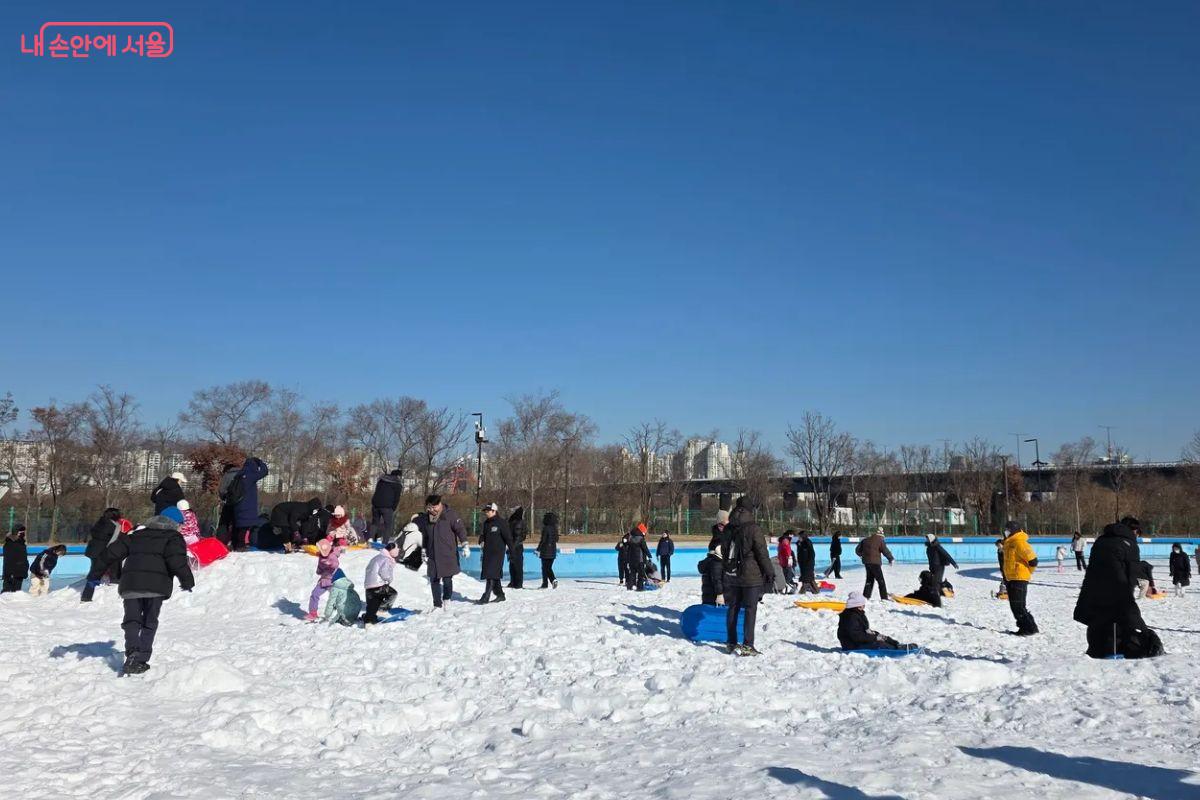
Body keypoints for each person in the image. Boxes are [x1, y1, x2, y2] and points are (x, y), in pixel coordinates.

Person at [94, 513, 195, 674]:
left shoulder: (135, 535)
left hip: (131, 584)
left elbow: (112, 552)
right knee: (149, 621)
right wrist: (187, 580)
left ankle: (132, 653)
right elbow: (177, 561)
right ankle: (141, 658)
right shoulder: (172, 537)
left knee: (132, 620)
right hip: (156, 586)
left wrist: (96, 570)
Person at [1074, 519, 1163, 659]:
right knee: (1120, 620)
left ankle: (1097, 651)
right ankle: (1116, 651)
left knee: (1099, 621)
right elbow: (1131, 571)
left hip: (1093, 589)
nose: (1137, 536)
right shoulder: (1129, 544)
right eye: (1138, 533)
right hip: (1118, 589)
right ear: (1134, 531)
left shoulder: (1101, 540)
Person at [722, 499, 774, 656]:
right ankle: (747, 644)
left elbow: (724, 551)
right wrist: (770, 572)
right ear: (750, 511)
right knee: (750, 610)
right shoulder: (754, 528)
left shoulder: (729, 527)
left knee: (733, 608)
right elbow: (762, 554)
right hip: (750, 576)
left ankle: (731, 642)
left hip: (732, 574)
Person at [415, 494, 468, 608]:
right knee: (434, 579)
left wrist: (465, 545)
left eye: (434, 507)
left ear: (439, 504)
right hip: (433, 554)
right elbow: (425, 536)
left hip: (447, 553)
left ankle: (447, 599)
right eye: (429, 508)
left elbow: (461, 530)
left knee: (447, 579)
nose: (432, 510)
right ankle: (437, 604)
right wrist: (423, 550)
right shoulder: (427, 518)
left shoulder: (450, 515)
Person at [1001, 520, 1039, 636]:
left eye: (1008, 529)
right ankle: (1030, 627)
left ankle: (1028, 629)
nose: (1006, 532)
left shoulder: (1019, 542)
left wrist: (1026, 573)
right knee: (1015, 606)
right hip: (1011, 578)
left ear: (1013, 530)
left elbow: (1033, 561)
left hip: (1019, 578)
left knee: (1018, 606)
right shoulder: (1008, 543)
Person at [837, 590, 909, 651]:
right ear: (858, 605)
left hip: (858, 642)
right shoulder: (850, 617)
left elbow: (863, 630)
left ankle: (897, 645)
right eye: (863, 604)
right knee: (878, 644)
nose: (864, 606)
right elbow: (856, 636)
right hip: (852, 646)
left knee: (883, 638)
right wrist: (874, 638)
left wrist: (875, 634)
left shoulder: (857, 613)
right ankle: (896, 649)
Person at [224, 456, 269, 551]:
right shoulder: (250, 475)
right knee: (244, 527)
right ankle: (240, 546)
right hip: (247, 505)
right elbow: (265, 471)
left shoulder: (239, 475)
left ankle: (234, 544)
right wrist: (260, 462)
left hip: (238, 504)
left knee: (238, 526)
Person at [477, 503, 513, 604]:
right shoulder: (486, 523)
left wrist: (512, 552)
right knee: (494, 575)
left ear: (494, 511)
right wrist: (481, 539)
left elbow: (508, 538)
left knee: (491, 574)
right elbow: (483, 535)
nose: (486, 513)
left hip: (497, 553)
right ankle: (500, 595)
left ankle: (486, 596)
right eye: (485, 511)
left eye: (488, 511)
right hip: (488, 552)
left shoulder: (501, 523)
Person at [306, 536, 346, 622]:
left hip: (332, 581)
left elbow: (336, 564)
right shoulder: (321, 557)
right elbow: (320, 566)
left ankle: (344, 613)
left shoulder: (332, 555)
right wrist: (319, 570)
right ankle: (313, 613)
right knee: (314, 594)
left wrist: (330, 563)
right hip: (323, 580)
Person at [362, 541, 399, 624]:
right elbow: (384, 572)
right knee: (393, 594)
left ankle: (369, 617)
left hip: (369, 585)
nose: (398, 550)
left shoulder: (377, 557)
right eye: (396, 548)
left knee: (373, 603)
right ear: (391, 550)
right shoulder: (386, 559)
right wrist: (389, 579)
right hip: (378, 584)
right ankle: (382, 610)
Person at [855, 527, 894, 600]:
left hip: (867, 563)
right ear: (881, 535)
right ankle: (884, 598)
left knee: (869, 580)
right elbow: (885, 550)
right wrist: (890, 559)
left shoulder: (865, 540)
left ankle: (866, 596)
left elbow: (857, 550)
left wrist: (862, 555)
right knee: (881, 581)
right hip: (875, 563)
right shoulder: (880, 540)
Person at [369, 469, 404, 544]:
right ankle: (384, 543)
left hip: (376, 504)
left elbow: (376, 491)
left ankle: (371, 540)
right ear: (398, 476)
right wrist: (393, 508)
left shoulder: (382, 480)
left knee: (375, 523)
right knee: (388, 525)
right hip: (387, 507)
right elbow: (396, 498)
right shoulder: (397, 484)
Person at [924, 534, 958, 606]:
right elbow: (930, 560)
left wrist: (953, 563)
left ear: (931, 539)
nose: (926, 540)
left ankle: (937, 602)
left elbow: (946, 554)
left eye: (927, 539)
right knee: (933, 582)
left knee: (936, 583)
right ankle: (944, 592)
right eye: (926, 539)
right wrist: (930, 567)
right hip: (933, 567)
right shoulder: (928, 548)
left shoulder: (937, 547)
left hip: (939, 567)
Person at [698, 536, 725, 606]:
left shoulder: (709, 560)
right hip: (715, 598)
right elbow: (717, 580)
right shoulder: (716, 563)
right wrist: (720, 594)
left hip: (708, 597)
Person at [625, 523, 652, 591]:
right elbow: (645, 548)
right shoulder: (641, 539)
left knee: (632, 573)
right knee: (640, 574)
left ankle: (629, 586)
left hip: (631, 559)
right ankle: (640, 587)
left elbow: (628, 550)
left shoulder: (630, 538)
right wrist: (649, 556)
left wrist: (628, 560)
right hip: (639, 560)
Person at [2, 526, 29, 593]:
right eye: (21, 532)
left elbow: (23, 558)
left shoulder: (21, 543)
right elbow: (9, 560)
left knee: (16, 593)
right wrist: (11, 573)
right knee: (7, 592)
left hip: (19, 573)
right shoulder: (10, 543)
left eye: (24, 532)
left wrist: (25, 568)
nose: (23, 533)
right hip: (12, 574)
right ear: (16, 533)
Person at [537, 512, 559, 589]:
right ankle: (549, 582)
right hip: (553, 550)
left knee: (545, 567)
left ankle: (548, 582)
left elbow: (543, 540)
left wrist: (538, 549)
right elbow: (557, 539)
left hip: (545, 550)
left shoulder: (546, 528)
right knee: (548, 567)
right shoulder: (555, 528)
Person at [507, 506, 527, 589]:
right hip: (512, 545)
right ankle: (513, 581)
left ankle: (518, 583)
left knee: (518, 565)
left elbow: (518, 537)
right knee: (512, 564)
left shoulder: (518, 522)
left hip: (516, 546)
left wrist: (512, 547)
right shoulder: (512, 520)